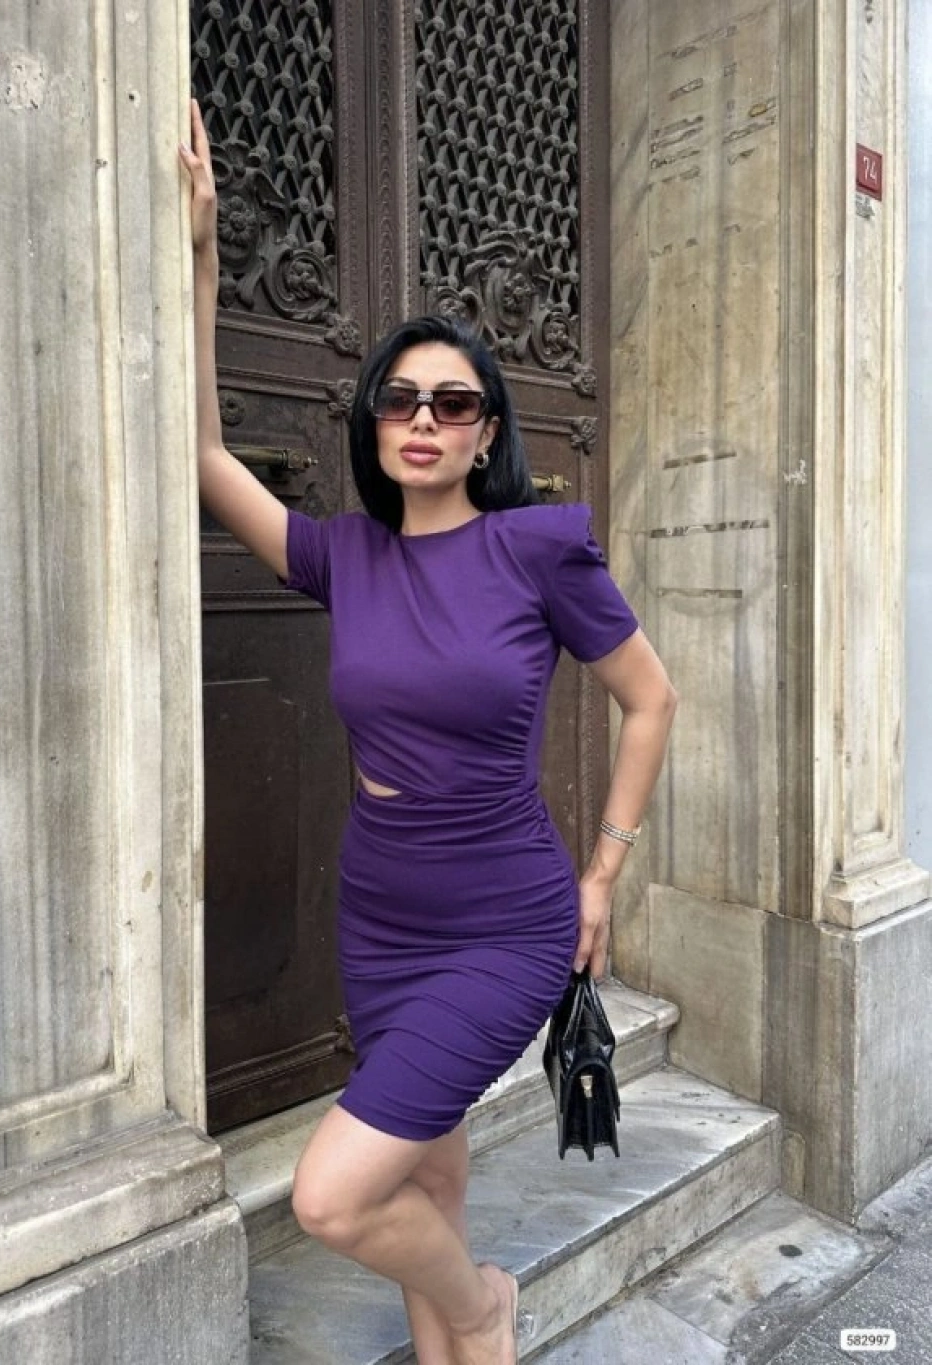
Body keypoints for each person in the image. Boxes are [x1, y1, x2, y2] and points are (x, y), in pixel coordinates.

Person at [180, 98, 676, 1365]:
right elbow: (200, 449)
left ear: (486, 430)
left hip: (506, 916)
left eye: (452, 403)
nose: (422, 418)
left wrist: (602, 875)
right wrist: (203, 252)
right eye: (399, 398)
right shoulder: (341, 556)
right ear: (373, 421)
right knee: (426, 1185)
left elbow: (650, 699)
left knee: (333, 1197)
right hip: (382, 914)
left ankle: (479, 1308)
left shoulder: (538, 550)